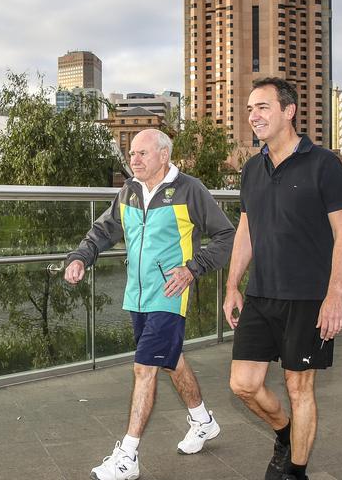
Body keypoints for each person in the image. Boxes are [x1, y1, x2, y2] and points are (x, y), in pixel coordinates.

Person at [65, 128, 234, 480]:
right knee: (170, 360)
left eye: (142, 153)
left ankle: (128, 456)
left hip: (170, 295)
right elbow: (103, 231)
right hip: (137, 296)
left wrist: (193, 268)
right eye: (131, 154)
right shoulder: (128, 191)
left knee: (144, 369)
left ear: (163, 156)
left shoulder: (189, 190)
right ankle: (203, 421)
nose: (134, 159)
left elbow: (227, 235)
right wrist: (81, 256)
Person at [223, 78, 342, 480]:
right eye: (249, 109)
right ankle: (285, 434)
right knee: (242, 384)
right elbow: (246, 229)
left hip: (307, 297)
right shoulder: (252, 168)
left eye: (262, 107)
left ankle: (296, 471)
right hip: (261, 293)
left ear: (288, 111)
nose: (253, 116)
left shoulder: (323, 163)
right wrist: (232, 285)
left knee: (299, 389)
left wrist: (334, 295)